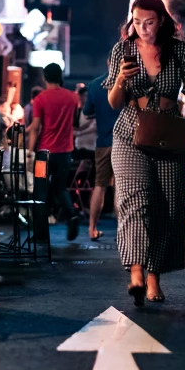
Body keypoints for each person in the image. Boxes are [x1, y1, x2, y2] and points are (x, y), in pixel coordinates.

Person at [106, 0, 185, 306]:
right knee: (135, 201)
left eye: (150, 22)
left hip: (168, 135)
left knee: (167, 210)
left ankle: (155, 276)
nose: (143, 28)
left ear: (161, 21)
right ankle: (137, 273)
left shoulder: (180, 50)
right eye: (138, 22)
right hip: (129, 133)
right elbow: (114, 103)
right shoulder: (123, 50)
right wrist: (119, 80)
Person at [28, 62, 80, 241]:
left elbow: (35, 127)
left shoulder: (40, 99)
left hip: (44, 154)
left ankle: (40, 232)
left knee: (40, 191)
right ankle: (72, 214)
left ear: (44, 78)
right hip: (65, 152)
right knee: (61, 187)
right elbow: (75, 122)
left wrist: (30, 151)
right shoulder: (73, 97)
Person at [84, 62, 120, 241]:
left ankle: (92, 228)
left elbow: (87, 111)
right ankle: (122, 232)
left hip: (104, 142)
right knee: (122, 188)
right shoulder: (129, 81)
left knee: (100, 186)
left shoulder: (95, 84)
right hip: (126, 143)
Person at [74, 86, 97, 158]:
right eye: (83, 95)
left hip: (92, 147)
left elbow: (95, 127)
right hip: (79, 146)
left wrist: (80, 133)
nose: (85, 98)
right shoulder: (76, 112)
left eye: (87, 96)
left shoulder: (95, 111)